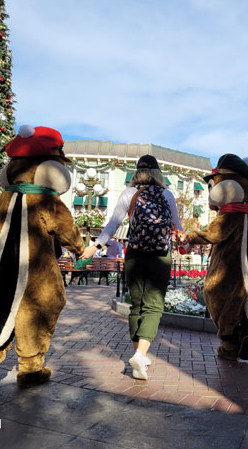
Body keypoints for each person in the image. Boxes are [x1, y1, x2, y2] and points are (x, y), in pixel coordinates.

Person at [80, 155, 182, 381]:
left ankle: (139, 353)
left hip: (135, 253)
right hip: (160, 255)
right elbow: (177, 226)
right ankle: (140, 353)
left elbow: (114, 223)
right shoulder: (166, 194)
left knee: (136, 303)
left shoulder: (129, 194)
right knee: (154, 305)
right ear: (157, 173)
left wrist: (95, 246)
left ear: (137, 172)